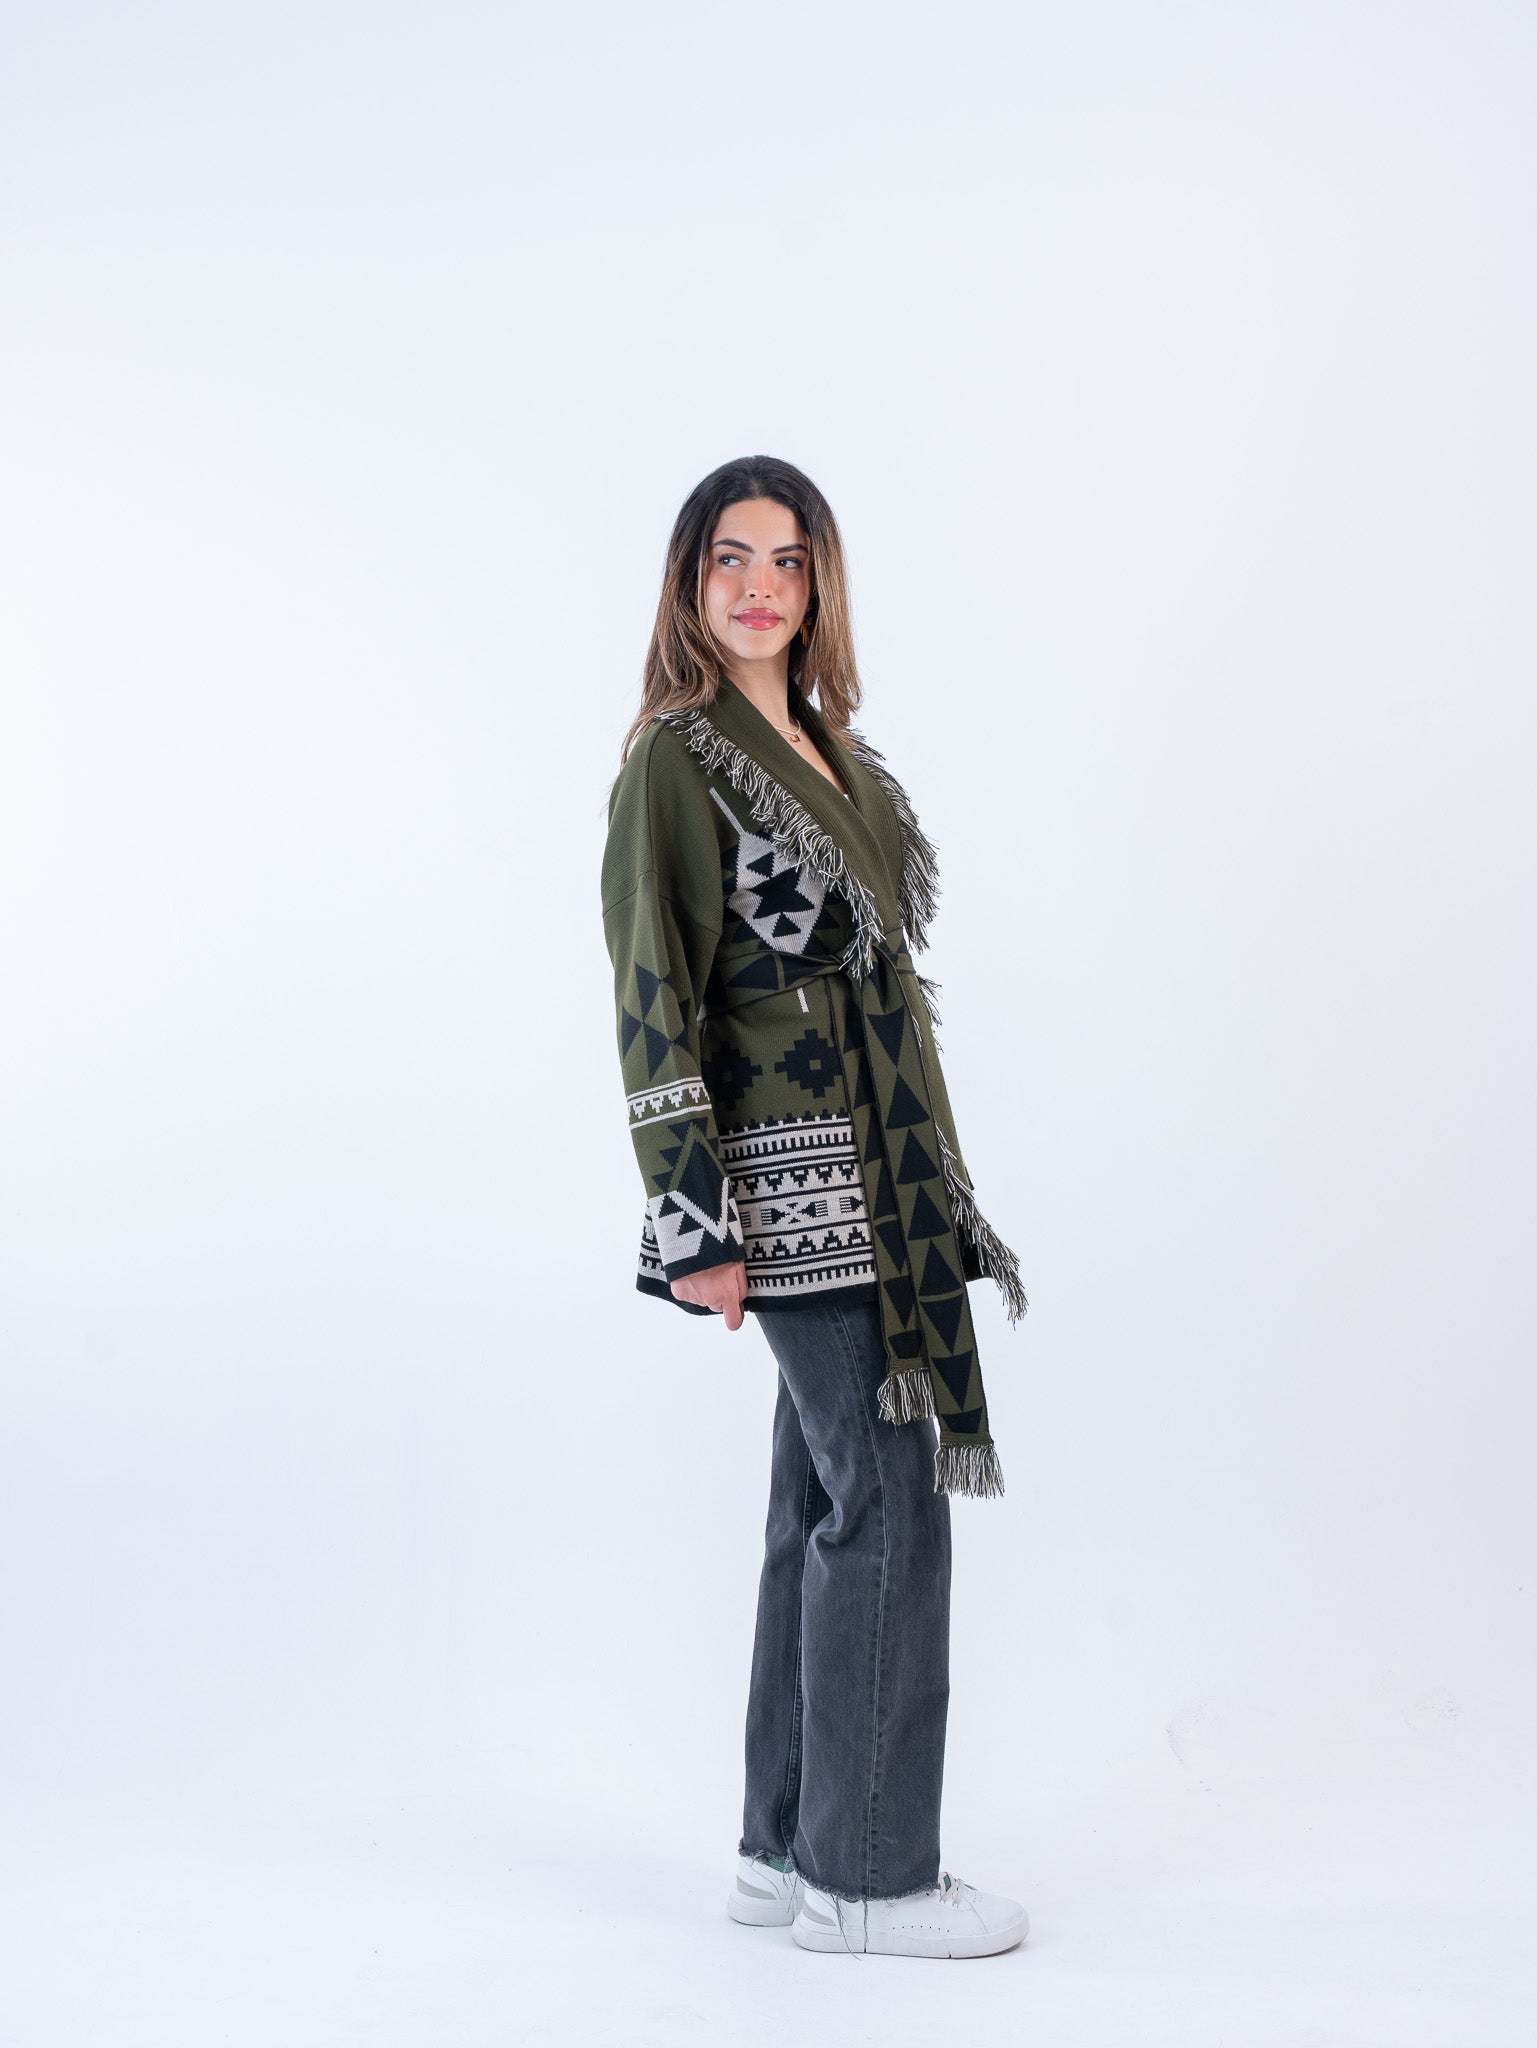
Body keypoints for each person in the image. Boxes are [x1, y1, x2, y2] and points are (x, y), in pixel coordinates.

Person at [600, 455, 1030, 1960]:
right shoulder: (676, 761)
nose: (759, 586)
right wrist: (693, 1223)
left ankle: (782, 1852)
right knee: (888, 1501)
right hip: (788, 1183)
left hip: (883, 1172)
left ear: (819, 586)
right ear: (688, 580)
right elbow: (651, 995)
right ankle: (870, 1878)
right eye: (731, 557)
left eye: (788, 560)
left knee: (821, 1501)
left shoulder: (831, 754)